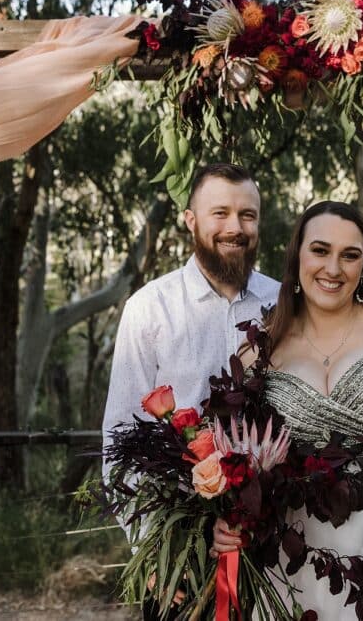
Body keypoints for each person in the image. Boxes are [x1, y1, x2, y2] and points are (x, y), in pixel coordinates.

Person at [212, 200, 363, 618]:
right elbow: (233, 458)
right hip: (296, 562)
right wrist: (224, 518)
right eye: (320, 250)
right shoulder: (259, 349)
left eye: (350, 255)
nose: (333, 268)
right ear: (297, 254)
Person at [102, 163, 280, 620]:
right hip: (178, 555)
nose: (235, 228)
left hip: (271, 551)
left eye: (247, 215)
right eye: (219, 212)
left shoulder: (284, 306)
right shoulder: (149, 308)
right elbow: (120, 439)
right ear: (191, 219)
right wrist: (157, 552)